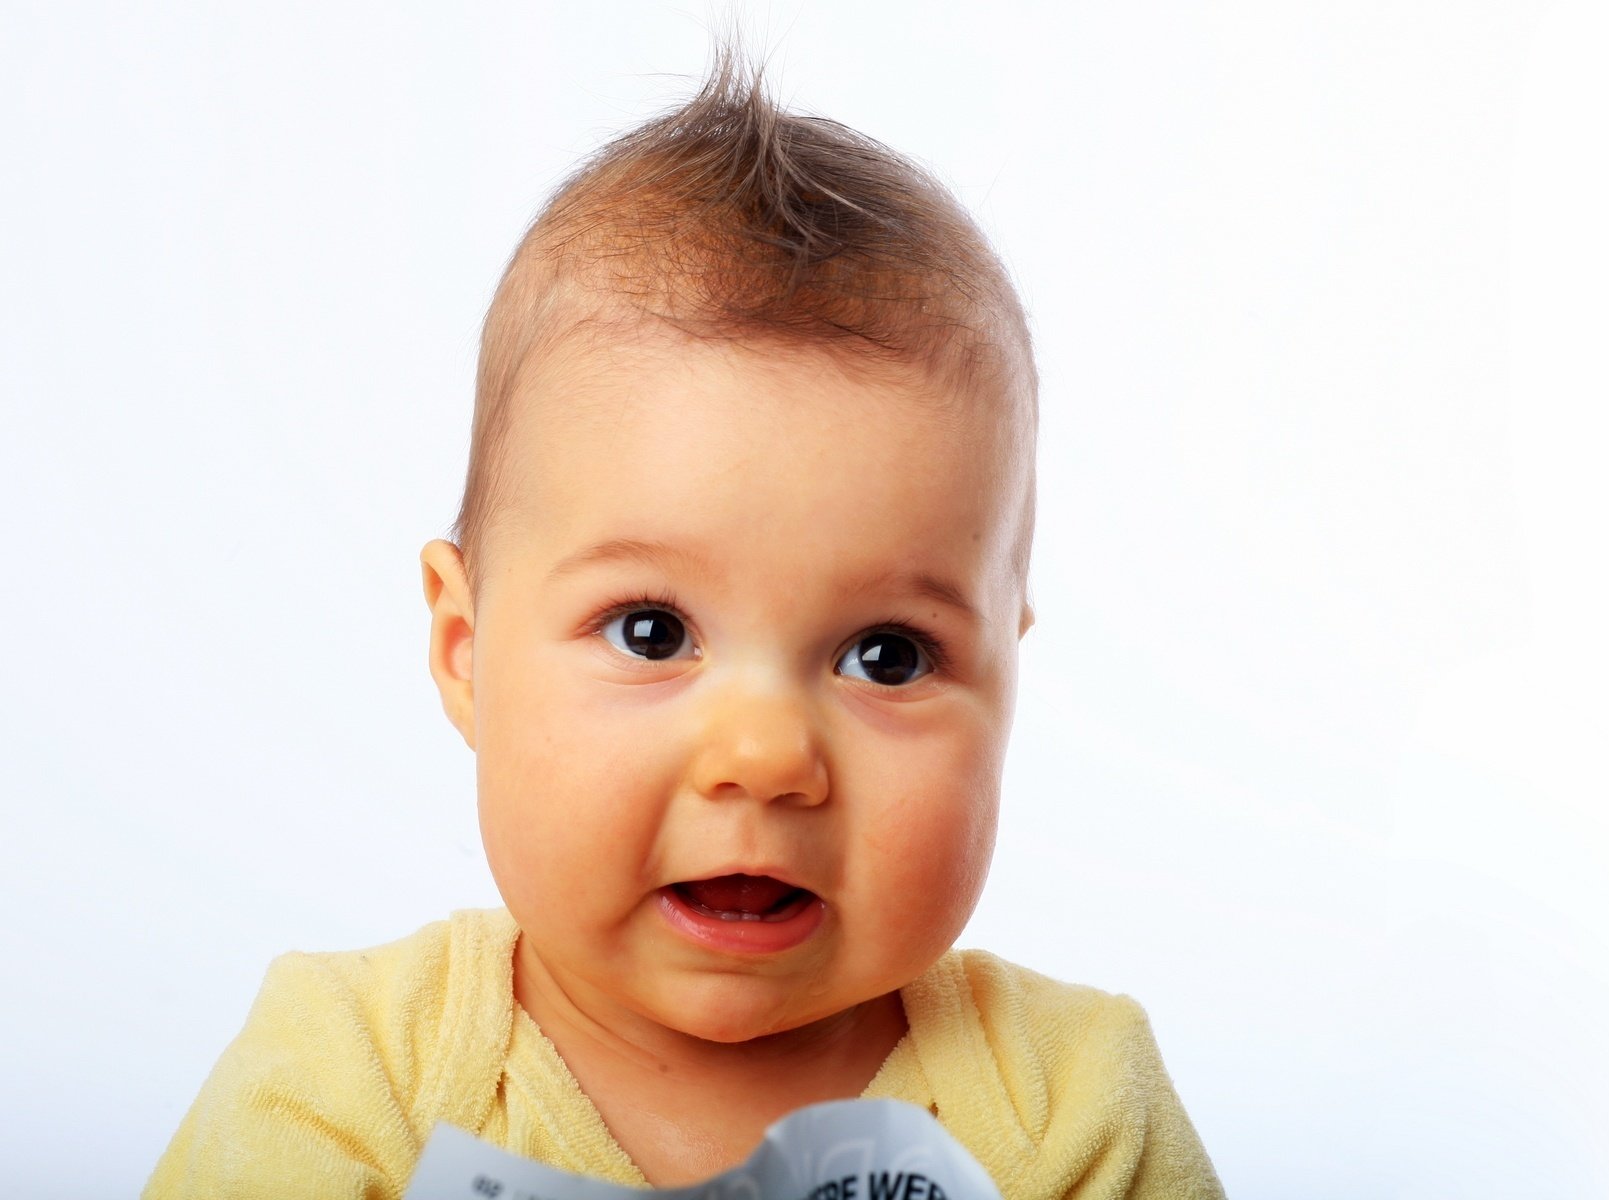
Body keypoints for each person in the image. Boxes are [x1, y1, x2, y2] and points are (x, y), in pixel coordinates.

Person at [144, 45, 1223, 1200]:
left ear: (1008, 680)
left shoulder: (1069, 1105)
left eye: (887, 656)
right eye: (652, 632)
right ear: (466, 652)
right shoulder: (353, 1079)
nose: (765, 759)